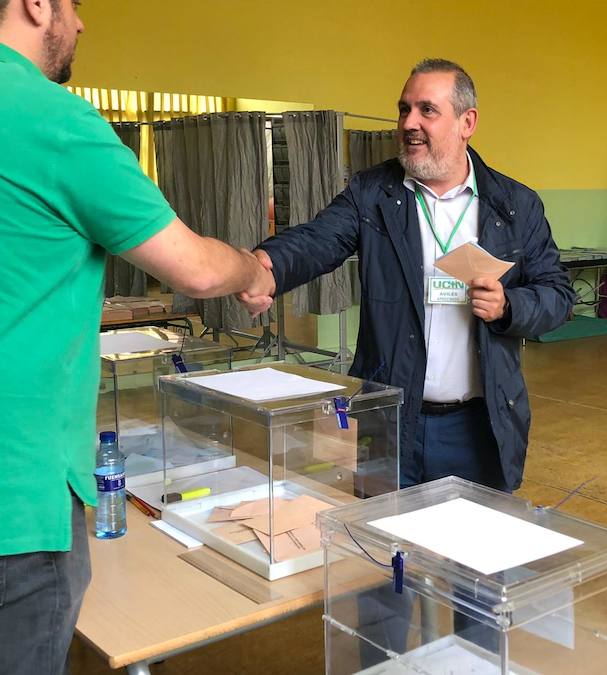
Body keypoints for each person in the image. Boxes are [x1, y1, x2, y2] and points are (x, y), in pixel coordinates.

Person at [0, 2, 272, 673]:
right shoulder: (53, 121)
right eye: (74, 6)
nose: (81, 25)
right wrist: (255, 265)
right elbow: (197, 267)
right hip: (19, 502)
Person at [241, 58, 573, 494]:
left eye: (426, 110)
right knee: (387, 550)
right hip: (392, 419)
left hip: (480, 424)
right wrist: (266, 266)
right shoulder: (373, 193)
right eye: (404, 109)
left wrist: (511, 306)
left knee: (470, 554)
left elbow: (558, 295)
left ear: (466, 121)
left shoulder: (515, 205)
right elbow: (318, 240)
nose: (409, 123)